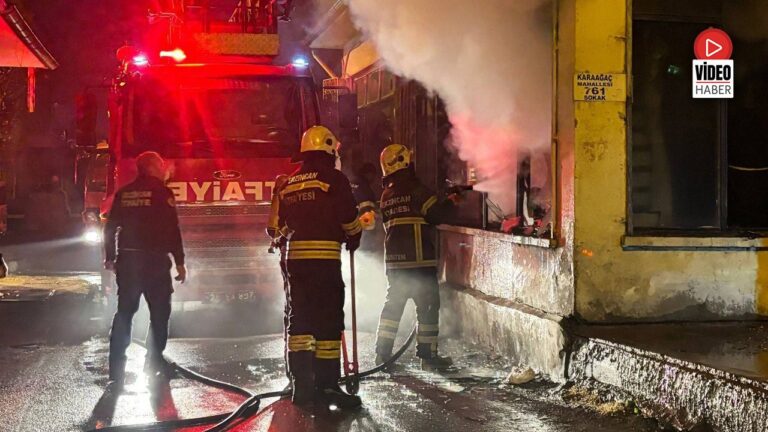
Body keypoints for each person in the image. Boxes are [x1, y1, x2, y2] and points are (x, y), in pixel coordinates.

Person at [276, 125, 363, 408]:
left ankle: (301, 386)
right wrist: (354, 236)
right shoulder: (334, 179)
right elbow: (348, 217)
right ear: (327, 148)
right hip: (324, 262)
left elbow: (282, 225)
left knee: (300, 320)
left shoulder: (291, 182)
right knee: (328, 321)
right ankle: (327, 386)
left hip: (295, 263)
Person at [103, 151, 187, 385]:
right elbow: (172, 229)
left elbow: (110, 227)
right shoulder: (162, 192)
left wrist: (110, 257)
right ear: (151, 167)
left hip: (128, 262)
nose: (163, 169)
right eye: (160, 165)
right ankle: (154, 362)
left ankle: (116, 369)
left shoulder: (124, 193)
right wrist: (179, 261)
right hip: (155, 262)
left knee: (124, 313)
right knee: (160, 313)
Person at [375, 144, 455, 370]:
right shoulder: (417, 190)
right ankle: (428, 358)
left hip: (395, 263)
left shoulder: (386, 195)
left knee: (392, 308)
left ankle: (382, 354)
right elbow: (436, 215)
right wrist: (451, 201)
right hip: (419, 262)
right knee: (428, 308)